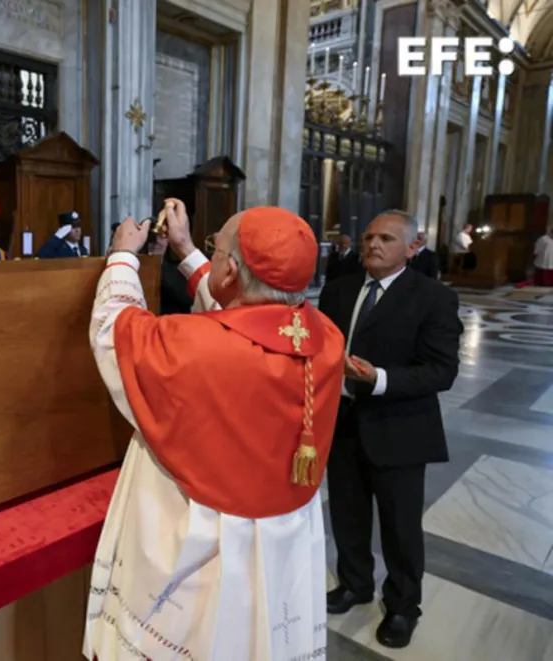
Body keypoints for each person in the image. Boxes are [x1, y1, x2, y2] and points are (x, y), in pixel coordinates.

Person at [83, 201, 345, 661]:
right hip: (281, 535)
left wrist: (123, 255)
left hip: (201, 537)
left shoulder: (193, 347)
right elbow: (246, 311)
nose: (214, 256)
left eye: (217, 250)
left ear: (232, 272)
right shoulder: (324, 338)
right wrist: (185, 250)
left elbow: (114, 328)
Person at [318, 210, 463, 649]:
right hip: (342, 424)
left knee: (400, 528)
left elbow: (440, 371)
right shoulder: (340, 289)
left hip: (399, 427)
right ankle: (355, 583)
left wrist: (378, 378)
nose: (373, 245)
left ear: (412, 247)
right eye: (368, 237)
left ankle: (402, 606)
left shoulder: (433, 297)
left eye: (385, 238)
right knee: (347, 513)